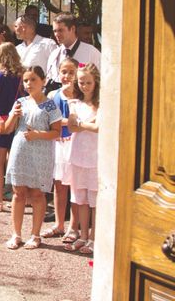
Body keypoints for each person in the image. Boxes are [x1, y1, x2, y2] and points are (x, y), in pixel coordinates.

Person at [3, 66, 63, 250]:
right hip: (20, 150)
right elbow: (7, 129)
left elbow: (57, 132)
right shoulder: (20, 102)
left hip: (41, 153)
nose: (29, 84)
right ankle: (16, 234)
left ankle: (36, 235)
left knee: (37, 194)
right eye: (26, 80)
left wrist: (37, 134)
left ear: (43, 81)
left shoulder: (49, 105)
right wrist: (13, 116)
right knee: (18, 192)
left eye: (33, 79)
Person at [63, 64, 100, 255]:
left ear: (95, 82)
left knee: (94, 199)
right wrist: (88, 123)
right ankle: (83, 234)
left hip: (94, 156)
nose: (85, 86)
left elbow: (98, 128)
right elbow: (72, 127)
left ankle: (95, 238)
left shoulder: (101, 103)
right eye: (81, 82)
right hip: (77, 155)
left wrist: (82, 124)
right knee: (81, 198)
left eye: (88, 82)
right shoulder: (75, 103)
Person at [42, 58, 80, 242]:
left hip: (74, 144)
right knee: (59, 185)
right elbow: (47, 117)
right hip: (58, 143)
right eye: (63, 72)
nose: (66, 76)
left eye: (71, 72)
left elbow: (78, 122)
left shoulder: (80, 97)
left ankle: (73, 226)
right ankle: (59, 223)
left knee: (74, 186)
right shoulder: (52, 95)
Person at [0, 42, 24, 212]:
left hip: (3, 120)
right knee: (14, 158)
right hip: (18, 119)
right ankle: (19, 196)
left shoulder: (0, 77)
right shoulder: (22, 75)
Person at [46, 13, 101, 93]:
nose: (57, 34)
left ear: (72, 29)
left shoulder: (91, 52)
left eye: (60, 30)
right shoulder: (54, 55)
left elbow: (100, 80)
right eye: (55, 31)